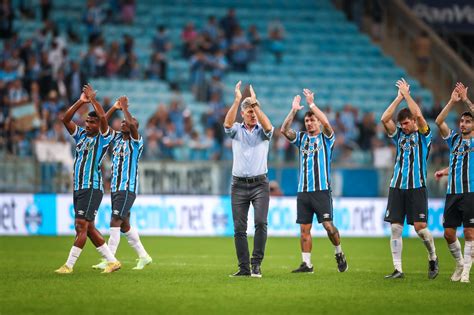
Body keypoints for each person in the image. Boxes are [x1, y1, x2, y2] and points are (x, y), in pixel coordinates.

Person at [55, 84, 121, 274]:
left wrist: (93, 99)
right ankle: (112, 261)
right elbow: (64, 119)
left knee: (80, 225)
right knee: (89, 228)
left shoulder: (103, 137)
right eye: (86, 121)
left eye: (91, 123)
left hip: (92, 187)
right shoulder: (81, 135)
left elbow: (102, 117)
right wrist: (81, 101)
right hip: (78, 187)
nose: (87, 124)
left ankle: (68, 265)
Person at [281, 89, 348, 273]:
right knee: (304, 229)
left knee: (328, 226)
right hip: (303, 191)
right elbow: (284, 130)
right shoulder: (301, 138)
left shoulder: (326, 138)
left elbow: (327, 122)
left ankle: (339, 252)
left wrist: (311, 104)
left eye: (312, 120)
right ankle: (307, 264)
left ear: (317, 121)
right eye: (307, 120)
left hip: (321, 190)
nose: (310, 123)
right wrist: (294, 110)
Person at [380, 78, 438, 279]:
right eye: (401, 124)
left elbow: (420, 116)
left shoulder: (424, 135)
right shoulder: (399, 136)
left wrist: (407, 95)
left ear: (413, 121)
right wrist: (398, 99)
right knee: (395, 227)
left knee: (421, 229)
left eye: (406, 123)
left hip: (417, 187)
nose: (403, 127)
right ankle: (398, 269)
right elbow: (384, 119)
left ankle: (432, 256)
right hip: (397, 186)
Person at [91, 96, 152, 270]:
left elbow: (131, 124)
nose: (123, 123)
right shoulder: (116, 139)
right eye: (122, 122)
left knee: (115, 220)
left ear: (134, 127)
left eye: (127, 123)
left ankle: (109, 258)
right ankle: (144, 256)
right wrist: (115, 107)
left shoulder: (136, 142)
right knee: (124, 224)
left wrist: (125, 109)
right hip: (117, 188)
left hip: (127, 188)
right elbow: (103, 122)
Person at [223, 82, 273, 277]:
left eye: (254, 111)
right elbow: (226, 124)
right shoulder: (236, 129)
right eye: (249, 111)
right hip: (238, 185)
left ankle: (256, 263)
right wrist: (237, 100)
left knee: (260, 222)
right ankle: (243, 268)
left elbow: (269, 126)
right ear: (242, 113)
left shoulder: (263, 130)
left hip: (260, 184)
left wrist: (255, 103)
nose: (252, 114)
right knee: (239, 228)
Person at [434, 82, 473, 283]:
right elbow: (439, 121)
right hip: (452, 193)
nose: (463, 124)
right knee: (449, 234)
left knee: (469, 232)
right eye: (462, 121)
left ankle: (466, 271)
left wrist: (466, 99)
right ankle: (459, 263)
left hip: (470, 192)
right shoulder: (454, 140)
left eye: (468, 121)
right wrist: (452, 101)